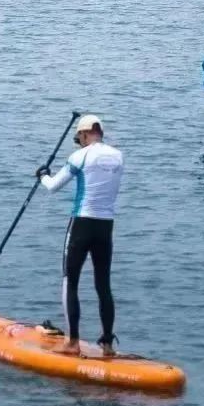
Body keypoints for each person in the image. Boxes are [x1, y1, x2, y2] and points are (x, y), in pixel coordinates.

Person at [37, 114, 124, 356]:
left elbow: (53, 186)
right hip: (106, 226)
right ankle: (107, 344)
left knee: (70, 280)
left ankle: (73, 342)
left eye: (80, 137)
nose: (80, 141)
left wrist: (42, 176)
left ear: (85, 134)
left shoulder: (80, 156)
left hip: (82, 224)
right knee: (103, 284)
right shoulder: (118, 156)